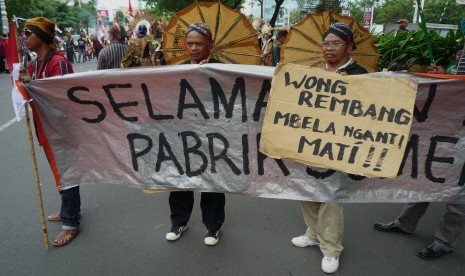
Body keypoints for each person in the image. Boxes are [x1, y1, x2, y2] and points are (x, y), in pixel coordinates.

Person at [290, 22, 368, 274]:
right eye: (326, 43)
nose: (329, 48)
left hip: (340, 146)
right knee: (309, 192)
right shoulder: (314, 73)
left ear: (349, 46)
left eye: (336, 43)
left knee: (331, 198)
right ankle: (313, 233)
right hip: (311, 144)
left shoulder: (361, 75)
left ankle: (331, 249)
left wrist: (350, 89)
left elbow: (369, 113)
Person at [374, 60, 465, 260]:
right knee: (427, 178)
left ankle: (444, 241)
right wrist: (444, 77)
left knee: (458, 192)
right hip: (451, 125)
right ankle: (405, 222)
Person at [18, 17, 80, 247]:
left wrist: (32, 86)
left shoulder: (59, 63)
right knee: (59, 172)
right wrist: (24, 83)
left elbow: (64, 99)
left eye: (28, 33)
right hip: (45, 127)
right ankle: (68, 209)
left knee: (67, 173)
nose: (24, 38)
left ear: (42, 36)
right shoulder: (34, 65)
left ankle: (71, 222)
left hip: (61, 129)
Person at [165, 22, 225, 246]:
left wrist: (214, 73)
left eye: (199, 43)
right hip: (182, 135)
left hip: (214, 136)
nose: (193, 48)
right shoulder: (176, 68)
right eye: (189, 43)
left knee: (213, 181)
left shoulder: (224, 70)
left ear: (210, 44)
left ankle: (212, 227)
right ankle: (179, 221)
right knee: (180, 179)